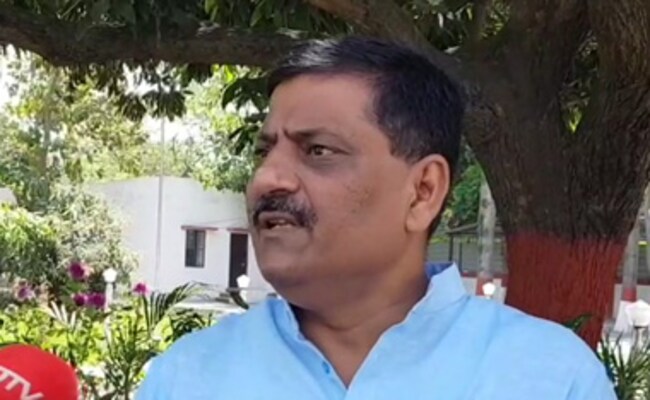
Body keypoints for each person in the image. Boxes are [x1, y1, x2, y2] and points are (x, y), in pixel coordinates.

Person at [135, 36, 615, 399]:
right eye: (265, 151)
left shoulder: (550, 378)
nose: (267, 179)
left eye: (318, 150)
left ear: (423, 191)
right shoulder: (186, 378)